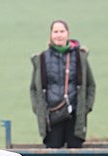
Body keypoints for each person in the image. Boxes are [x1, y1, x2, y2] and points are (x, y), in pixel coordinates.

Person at [30, 19, 96, 148]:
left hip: (75, 115)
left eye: (62, 31)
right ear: (51, 35)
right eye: (55, 32)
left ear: (68, 34)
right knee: (52, 155)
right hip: (51, 116)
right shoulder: (42, 59)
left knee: (75, 153)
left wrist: (86, 107)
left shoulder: (80, 57)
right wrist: (38, 109)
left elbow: (91, 85)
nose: (59, 35)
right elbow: (33, 88)